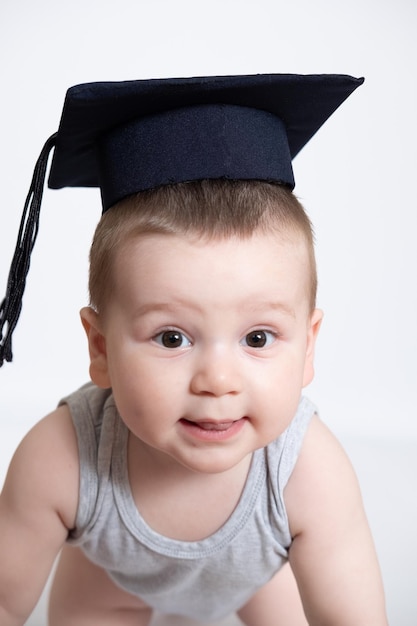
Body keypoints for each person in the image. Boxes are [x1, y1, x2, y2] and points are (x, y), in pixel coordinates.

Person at [0, 73, 388, 625]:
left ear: (307, 347)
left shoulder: (306, 472)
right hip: (111, 580)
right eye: (171, 337)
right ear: (101, 347)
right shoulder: (63, 459)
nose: (217, 380)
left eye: (258, 338)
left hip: (257, 579)